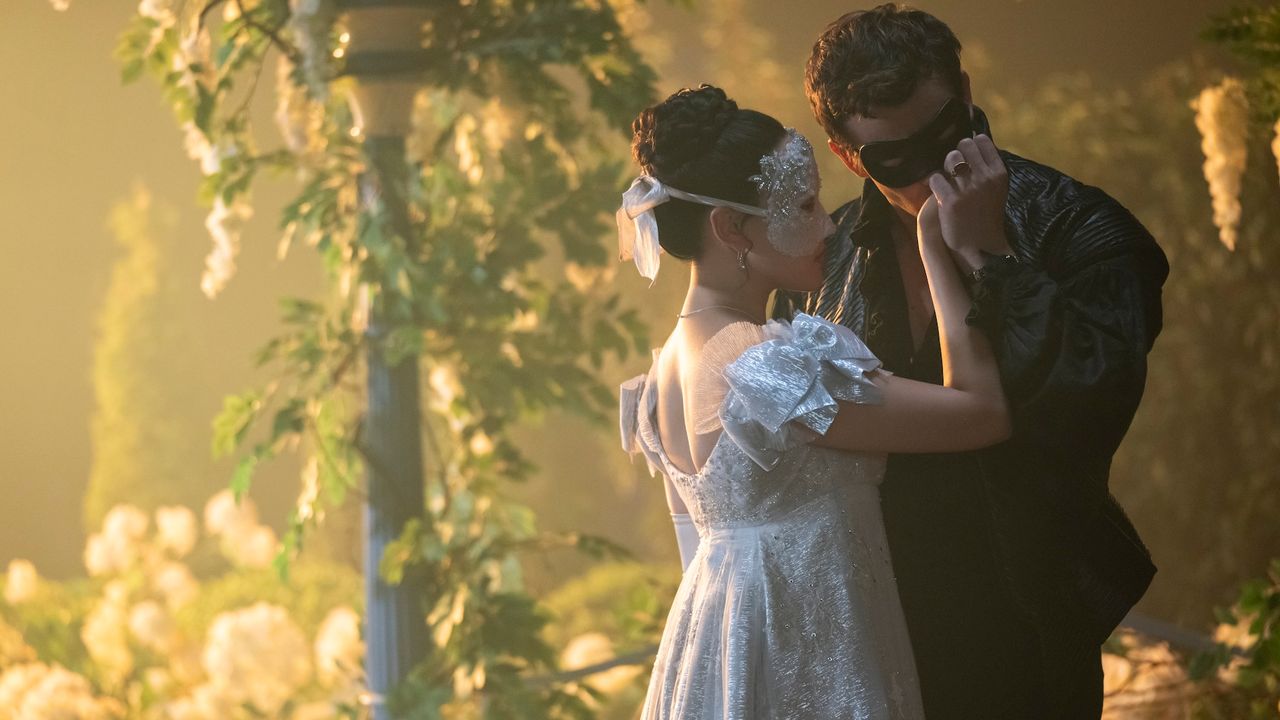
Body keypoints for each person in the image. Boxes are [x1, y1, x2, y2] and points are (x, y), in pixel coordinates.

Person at [774, 5, 1170, 718]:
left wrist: (993, 257)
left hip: (1028, 605)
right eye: (896, 157)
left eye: (947, 134)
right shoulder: (820, 259)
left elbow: (1090, 401)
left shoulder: (1081, 228)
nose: (933, 170)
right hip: (872, 614)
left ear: (965, 91)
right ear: (844, 153)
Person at [618, 84, 1010, 719]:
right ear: (730, 228)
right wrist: (939, 245)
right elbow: (981, 414)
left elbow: (697, 551)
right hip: (812, 659)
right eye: (802, 205)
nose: (829, 224)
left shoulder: (665, 370)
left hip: (716, 660)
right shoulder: (768, 366)